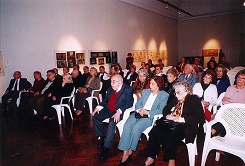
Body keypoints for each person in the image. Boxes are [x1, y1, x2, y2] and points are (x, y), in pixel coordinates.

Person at [143, 82, 205, 166]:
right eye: (175, 92)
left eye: (178, 92)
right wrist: (168, 115)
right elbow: (166, 109)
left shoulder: (194, 99)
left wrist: (181, 119)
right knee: (155, 131)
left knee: (170, 136)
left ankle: (171, 161)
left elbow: (200, 117)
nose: (176, 94)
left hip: (186, 126)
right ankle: (151, 157)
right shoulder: (176, 98)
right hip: (172, 124)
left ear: (186, 91)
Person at [117, 76, 169, 166]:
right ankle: (125, 151)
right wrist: (140, 110)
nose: (150, 85)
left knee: (137, 127)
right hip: (139, 113)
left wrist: (147, 112)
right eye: (150, 83)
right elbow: (138, 103)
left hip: (149, 117)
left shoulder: (164, 95)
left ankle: (130, 151)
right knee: (127, 125)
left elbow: (161, 110)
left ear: (159, 85)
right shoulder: (145, 92)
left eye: (153, 84)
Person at [92, 74, 134, 160]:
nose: (111, 84)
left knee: (112, 122)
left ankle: (106, 148)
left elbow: (129, 103)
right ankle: (103, 137)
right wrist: (98, 107)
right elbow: (105, 101)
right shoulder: (111, 89)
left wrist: (119, 111)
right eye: (111, 81)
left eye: (113, 82)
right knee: (95, 116)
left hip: (119, 111)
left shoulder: (128, 89)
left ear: (120, 82)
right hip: (108, 110)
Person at [212, 69, 245, 137]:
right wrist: (236, 101)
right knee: (222, 119)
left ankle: (211, 133)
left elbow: (243, 105)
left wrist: (230, 100)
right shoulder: (230, 88)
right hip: (228, 112)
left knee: (223, 121)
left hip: (240, 114)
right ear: (236, 78)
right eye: (238, 77)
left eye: (243, 78)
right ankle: (211, 135)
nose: (239, 80)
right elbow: (224, 102)